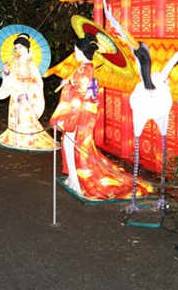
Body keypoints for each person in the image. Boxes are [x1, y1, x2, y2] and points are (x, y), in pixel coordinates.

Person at [49, 34, 154, 201]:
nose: (75, 53)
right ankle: (74, 179)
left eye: (76, 50)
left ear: (83, 52)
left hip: (82, 112)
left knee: (78, 145)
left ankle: (82, 182)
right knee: (70, 143)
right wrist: (68, 83)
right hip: (81, 110)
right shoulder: (83, 67)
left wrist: (67, 87)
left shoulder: (87, 68)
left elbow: (79, 93)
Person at [0, 34, 57, 151]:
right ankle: (14, 138)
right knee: (13, 114)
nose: (18, 50)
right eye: (17, 47)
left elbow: (37, 82)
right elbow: (12, 77)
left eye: (21, 47)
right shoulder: (16, 61)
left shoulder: (30, 63)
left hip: (26, 92)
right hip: (15, 91)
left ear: (27, 48)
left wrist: (27, 95)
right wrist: (6, 71)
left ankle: (27, 140)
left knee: (24, 116)